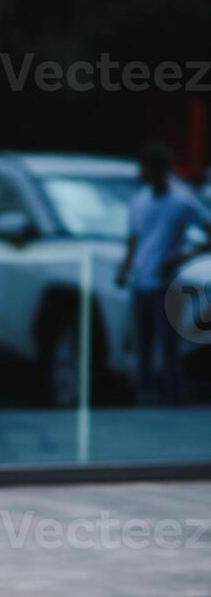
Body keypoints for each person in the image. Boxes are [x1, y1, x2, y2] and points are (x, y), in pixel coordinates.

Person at [116, 142, 211, 406]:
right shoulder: (139, 201)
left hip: (166, 282)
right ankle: (145, 395)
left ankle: (173, 397)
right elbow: (134, 239)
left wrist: (184, 255)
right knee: (142, 342)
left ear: (159, 170)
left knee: (167, 344)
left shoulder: (181, 201)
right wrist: (125, 268)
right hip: (141, 281)